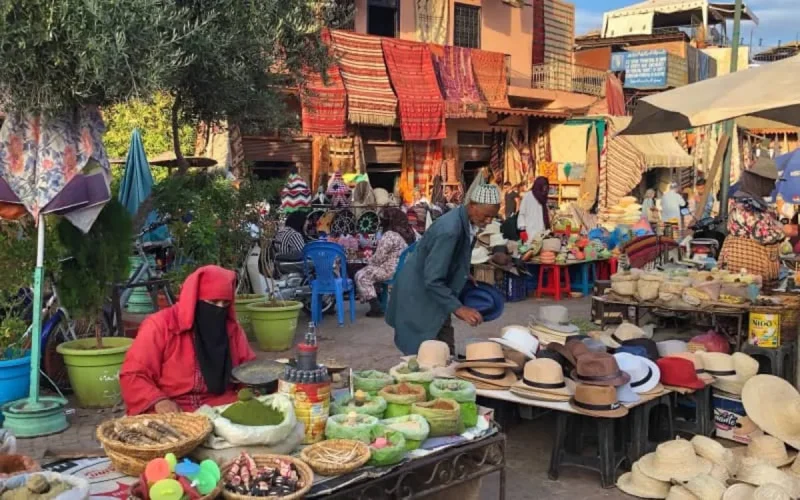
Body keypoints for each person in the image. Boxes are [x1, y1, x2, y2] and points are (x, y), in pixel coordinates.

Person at [120, 265, 256, 415]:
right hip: (173, 410)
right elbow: (133, 375)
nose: (219, 309)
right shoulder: (160, 326)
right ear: (194, 301)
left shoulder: (231, 329)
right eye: (213, 302)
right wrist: (158, 400)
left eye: (225, 304)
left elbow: (249, 369)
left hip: (221, 406)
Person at [387, 184, 501, 355]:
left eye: (492, 217)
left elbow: (447, 258)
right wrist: (459, 309)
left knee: (444, 352)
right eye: (486, 216)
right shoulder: (450, 230)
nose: (489, 221)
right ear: (472, 205)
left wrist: (462, 273)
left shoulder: (464, 221)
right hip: (420, 294)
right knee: (425, 355)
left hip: (434, 291)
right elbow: (433, 280)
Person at [355, 208, 415, 318]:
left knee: (361, 275)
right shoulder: (408, 233)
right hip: (402, 269)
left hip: (390, 271)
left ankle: (375, 308)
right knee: (369, 271)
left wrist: (368, 260)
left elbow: (378, 258)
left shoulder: (390, 235)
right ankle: (379, 301)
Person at [517, 176, 550, 244]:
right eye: (543, 186)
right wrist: (522, 229)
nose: (545, 189)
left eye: (546, 187)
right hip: (530, 232)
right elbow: (522, 214)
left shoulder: (543, 199)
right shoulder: (528, 196)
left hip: (542, 232)